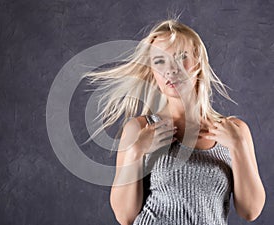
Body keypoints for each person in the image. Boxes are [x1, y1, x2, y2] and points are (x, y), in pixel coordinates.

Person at [83, 19, 266, 225]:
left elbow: (250, 211)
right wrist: (136, 151)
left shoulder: (236, 131)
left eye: (181, 57)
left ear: (197, 62)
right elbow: (125, 217)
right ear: (152, 72)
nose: (170, 69)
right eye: (159, 61)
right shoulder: (140, 129)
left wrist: (239, 145)